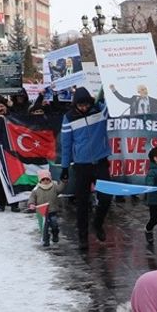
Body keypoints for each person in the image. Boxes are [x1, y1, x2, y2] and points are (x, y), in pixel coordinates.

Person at [59, 87, 112, 246]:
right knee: (82, 202)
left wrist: (109, 87)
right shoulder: (68, 118)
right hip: (81, 166)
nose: (84, 108)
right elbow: (66, 144)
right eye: (80, 105)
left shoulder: (100, 110)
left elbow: (113, 106)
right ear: (75, 105)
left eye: (86, 105)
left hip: (100, 162)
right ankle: (82, 236)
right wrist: (64, 167)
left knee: (106, 197)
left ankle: (97, 223)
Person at [27, 168, 63, 246]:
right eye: (43, 179)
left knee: (54, 224)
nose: (45, 181)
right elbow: (32, 197)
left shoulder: (54, 186)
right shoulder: (36, 189)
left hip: (52, 210)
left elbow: (60, 189)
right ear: (40, 180)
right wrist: (31, 204)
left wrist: (63, 182)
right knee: (44, 227)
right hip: (42, 212)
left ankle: (55, 234)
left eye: (47, 179)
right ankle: (46, 239)